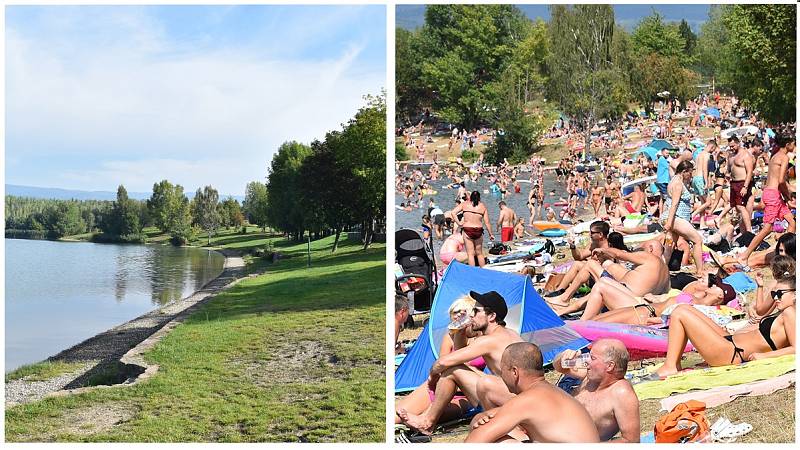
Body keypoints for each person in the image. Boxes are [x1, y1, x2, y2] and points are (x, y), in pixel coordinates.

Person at [398, 291, 523, 435]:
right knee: (455, 368)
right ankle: (426, 418)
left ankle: (427, 422)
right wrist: (460, 332)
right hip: (520, 396)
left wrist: (432, 376)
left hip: (512, 399)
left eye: (476, 311)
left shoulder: (488, 340)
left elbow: (444, 362)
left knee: (452, 368)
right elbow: (460, 356)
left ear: (492, 316)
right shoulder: (510, 333)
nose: (471, 315)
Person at [654, 274, 795, 378]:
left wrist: (765, 357)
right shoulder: (784, 312)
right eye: (774, 294)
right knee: (684, 307)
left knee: (680, 312)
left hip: (732, 353)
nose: (775, 298)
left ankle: (671, 366)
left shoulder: (790, 313)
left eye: (779, 294)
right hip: (729, 342)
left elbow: (796, 349)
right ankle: (674, 364)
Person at [464, 342, 600, 443]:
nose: (501, 376)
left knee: (497, 440)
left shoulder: (527, 400)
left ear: (514, 372)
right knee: (481, 420)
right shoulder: (550, 392)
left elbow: (475, 441)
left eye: (502, 370)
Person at [395, 296, 485, 426]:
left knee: (422, 416)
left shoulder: (482, 339)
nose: (458, 315)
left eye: (462, 312)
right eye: (454, 312)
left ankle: (423, 421)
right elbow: (442, 366)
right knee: (396, 415)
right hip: (441, 388)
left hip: (465, 395)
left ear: (472, 313)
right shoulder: (449, 337)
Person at [551, 240, 671, 319]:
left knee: (594, 271)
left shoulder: (649, 257)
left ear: (650, 249)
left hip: (626, 298)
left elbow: (620, 255)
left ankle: (567, 305)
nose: (639, 251)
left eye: (642, 248)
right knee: (605, 280)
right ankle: (563, 309)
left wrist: (603, 250)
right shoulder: (666, 272)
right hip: (634, 301)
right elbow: (664, 294)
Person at [553, 339, 640, 442]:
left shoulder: (622, 394)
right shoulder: (592, 376)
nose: (587, 361)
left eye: (592, 358)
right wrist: (563, 357)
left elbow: (631, 440)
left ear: (610, 366)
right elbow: (560, 367)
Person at [737, 133, 796, 265]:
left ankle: (786, 254)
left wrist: (786, 197)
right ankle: (744, 256)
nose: (795, 145)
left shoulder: (775, 156)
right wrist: (787, 196)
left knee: (792, 223)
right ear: (787, 144)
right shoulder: (784, 157)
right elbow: (781, 181)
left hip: (772, 193)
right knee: (768, 228)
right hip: (774, 194)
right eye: (793, 143)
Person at [544, 221, 610, 299]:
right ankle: (559, 291)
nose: (590, 234)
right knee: (578, 263)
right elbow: (579, 257)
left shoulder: (609, 248)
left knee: (580, 264)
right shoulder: (594, 245)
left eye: (592, 232)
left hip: (602, 280)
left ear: (600, 234)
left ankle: (561, 293)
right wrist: (573, 246)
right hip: (591, 275)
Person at [663, 160, 705, 276]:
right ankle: (700, 271)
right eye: (690, 173)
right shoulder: (677, 184)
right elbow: (674, 204)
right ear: (684, 171)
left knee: (670, 246)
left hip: (675, 218)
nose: (691, 176)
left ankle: (661, 269)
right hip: (675, 218)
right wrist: (669, 223)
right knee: (697, 240)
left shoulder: (675, 179)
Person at [452, 191, 494, 267]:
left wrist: (459, 223)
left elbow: (453, 212)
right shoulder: (482, 206)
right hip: (478, 230)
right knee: (480, 253)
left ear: (470, 197)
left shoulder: (465, 204)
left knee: (470, 254)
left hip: (467, 230)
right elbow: (487, 222)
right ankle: (483, 271)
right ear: (479, 198)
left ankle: (473, 273)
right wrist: (491, 234)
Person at [727, 136, 755, 232]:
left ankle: (749, 231)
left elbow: (750, 171)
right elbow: (728, 170)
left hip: (742, 183)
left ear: (738, 143)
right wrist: (727, 174)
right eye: (730, 146)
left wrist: (745, 187)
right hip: (733, 183)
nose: (731, 148)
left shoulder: (745, 155)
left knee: (740, 206)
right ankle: (743, 231)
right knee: (737, 208)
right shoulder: (730, 155)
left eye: (733, 146)